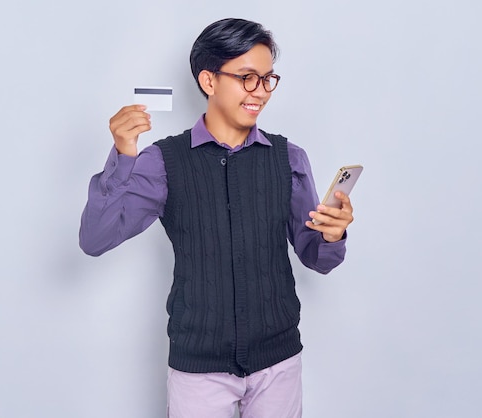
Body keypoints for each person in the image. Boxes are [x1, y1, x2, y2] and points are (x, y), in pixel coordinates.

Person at [79, 17, 355, 418]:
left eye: (267, 79)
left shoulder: (289, 158)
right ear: (209, 81)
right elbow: (95, 238)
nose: (260, 92)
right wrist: (123, 155)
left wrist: (333, 235)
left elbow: (317, 258)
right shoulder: (162, 161)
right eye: (247, 78)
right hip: (198, 370)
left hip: (278, 363)